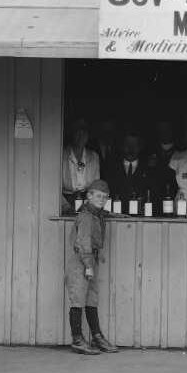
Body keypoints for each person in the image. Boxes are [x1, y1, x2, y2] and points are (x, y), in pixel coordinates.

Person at [64, 179, 119, 355]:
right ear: (89, 196)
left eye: (105, 197)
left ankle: (96, 337)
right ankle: (77, 339)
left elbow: (103, 215)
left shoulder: (96, 213)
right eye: (98, 196)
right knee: (78, 299)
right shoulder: (87, 217)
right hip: (81, 260)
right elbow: (83, 242)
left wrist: (118, 215)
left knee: (91, 299)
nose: (102, 200)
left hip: (89, 260)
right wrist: (88, 266)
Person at [61, 118, 100, 211]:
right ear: (72, 133)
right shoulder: (61, 154)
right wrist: (65, 206)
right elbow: (54, 186)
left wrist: (87, 205)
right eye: (77, 131)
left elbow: (96, 185)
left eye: (84, 132)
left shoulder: (94, 156)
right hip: (64, 203)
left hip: (87, 203)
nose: (81, 135)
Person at [104, 130, 155, 200]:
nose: (131, 148)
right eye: (127, 144)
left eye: (135, 144)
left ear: (140, 147)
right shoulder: (111, 168)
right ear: (122, 146)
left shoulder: (149, 168)